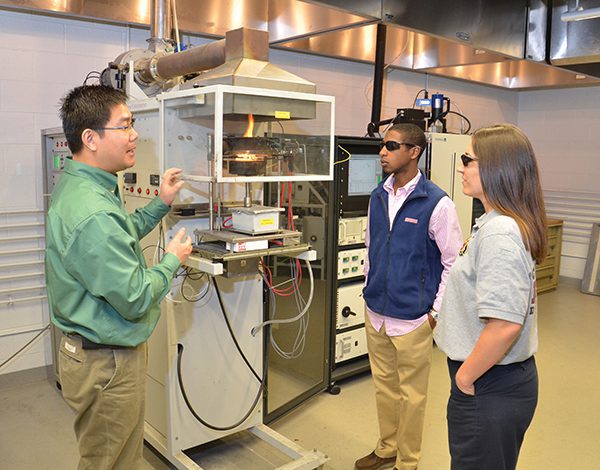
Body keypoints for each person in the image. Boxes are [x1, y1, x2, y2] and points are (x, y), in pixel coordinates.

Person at [45, 84, 193, 470]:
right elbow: (136, 297)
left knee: (115, 454)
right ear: (90, 138)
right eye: (125, 126)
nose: (134, 135)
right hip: (106, 362)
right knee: (111, 461)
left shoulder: (86, 186)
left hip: (95, 354)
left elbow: (118, 231)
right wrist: (172, 261)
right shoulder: (91, 209)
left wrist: (160, 203)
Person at [434, 123, 547, 470]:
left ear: (497, 168)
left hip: (488, 384)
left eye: (468, 159)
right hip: (498, 379)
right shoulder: (498, 222)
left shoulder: (500, 233)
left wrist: (465, 378)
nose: (460, 166)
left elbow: (504, 326)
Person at [356, 123, 463, 470]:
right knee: (384, 389)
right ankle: (387, 448)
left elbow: (452, 263)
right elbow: (372, 246)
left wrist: (434, 313)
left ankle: (407, 461)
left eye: (391, 146)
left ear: (414, 151)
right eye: (383, 146)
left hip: (414, 318)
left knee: (412, 397)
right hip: (377, 312)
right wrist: (368, 287)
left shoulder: (437, 203)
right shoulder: (378, 196)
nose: (382, 152)